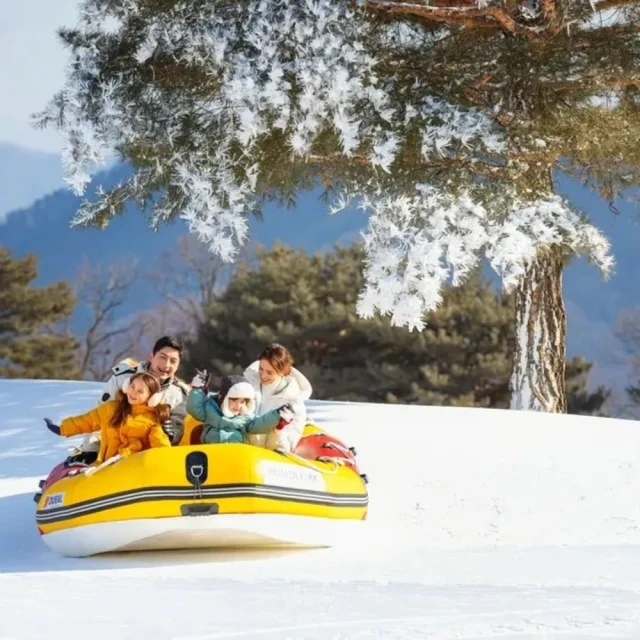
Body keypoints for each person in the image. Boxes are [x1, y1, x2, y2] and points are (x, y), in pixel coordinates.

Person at [67, 336, 190, 464]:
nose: (166, 365)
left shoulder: (178, 394)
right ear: (152, 356)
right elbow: (99, 415)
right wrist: (91, 449)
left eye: (173, 361)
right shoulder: (123, 380)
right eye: (162, 357)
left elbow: (178, 427)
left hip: (150, 459)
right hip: (113, 453)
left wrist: (172, 434)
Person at [44, 371, 172, 465]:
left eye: (140, 391)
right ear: (127, 386)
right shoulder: (111, 408)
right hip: (104, 466)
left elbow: (160, 443)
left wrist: (169, 461)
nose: (133, 392)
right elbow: (87, 420)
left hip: (131, 469)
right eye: (132, 387)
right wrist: (63, 429)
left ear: (151, 398)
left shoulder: (151, 421)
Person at [187, 371, 294, 444]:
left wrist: (276, 415)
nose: (238, 406)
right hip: (210, 453)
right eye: (234, 400)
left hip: (235, 455)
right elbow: (194, 409)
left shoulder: (245, 418)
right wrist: (198, 389)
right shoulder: (210, 409)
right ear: (223, 398)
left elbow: (260, 424)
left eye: (243, 402)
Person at [243, 343, 312, 453]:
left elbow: (288, 447)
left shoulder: (294, 404)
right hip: (239, 452)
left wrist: (278, 430)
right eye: (261, 369)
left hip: (267, 461)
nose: (263, 375)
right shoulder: (246, 386)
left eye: (269, 372)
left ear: (282, 372)